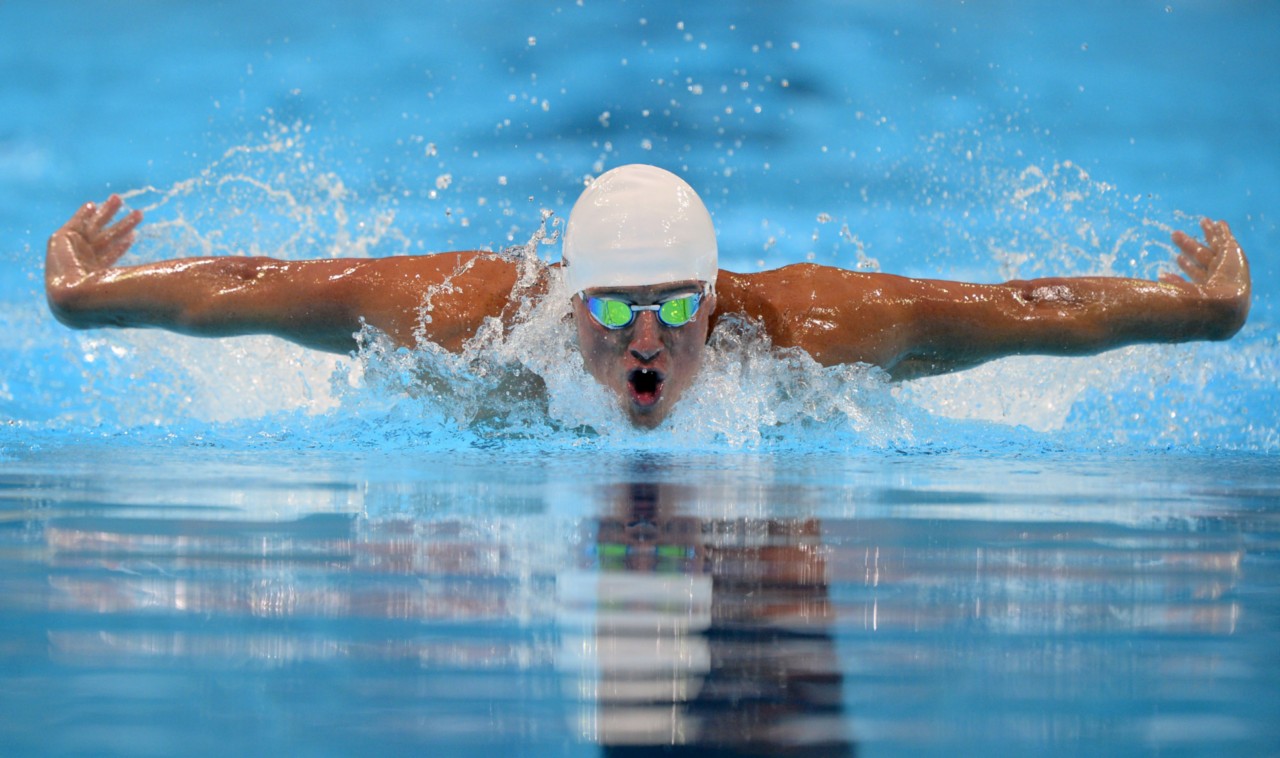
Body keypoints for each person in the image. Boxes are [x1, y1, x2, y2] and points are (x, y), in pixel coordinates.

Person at [45, 164, 1251, 429]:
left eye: (674, 311)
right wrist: (92, 295)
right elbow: (264, 285)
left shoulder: (804, 330)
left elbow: (1008, 306)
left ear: (712, 298)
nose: (642, 341)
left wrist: (1190, 308)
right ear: (567, 298)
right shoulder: (465, 316)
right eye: (614, 309)